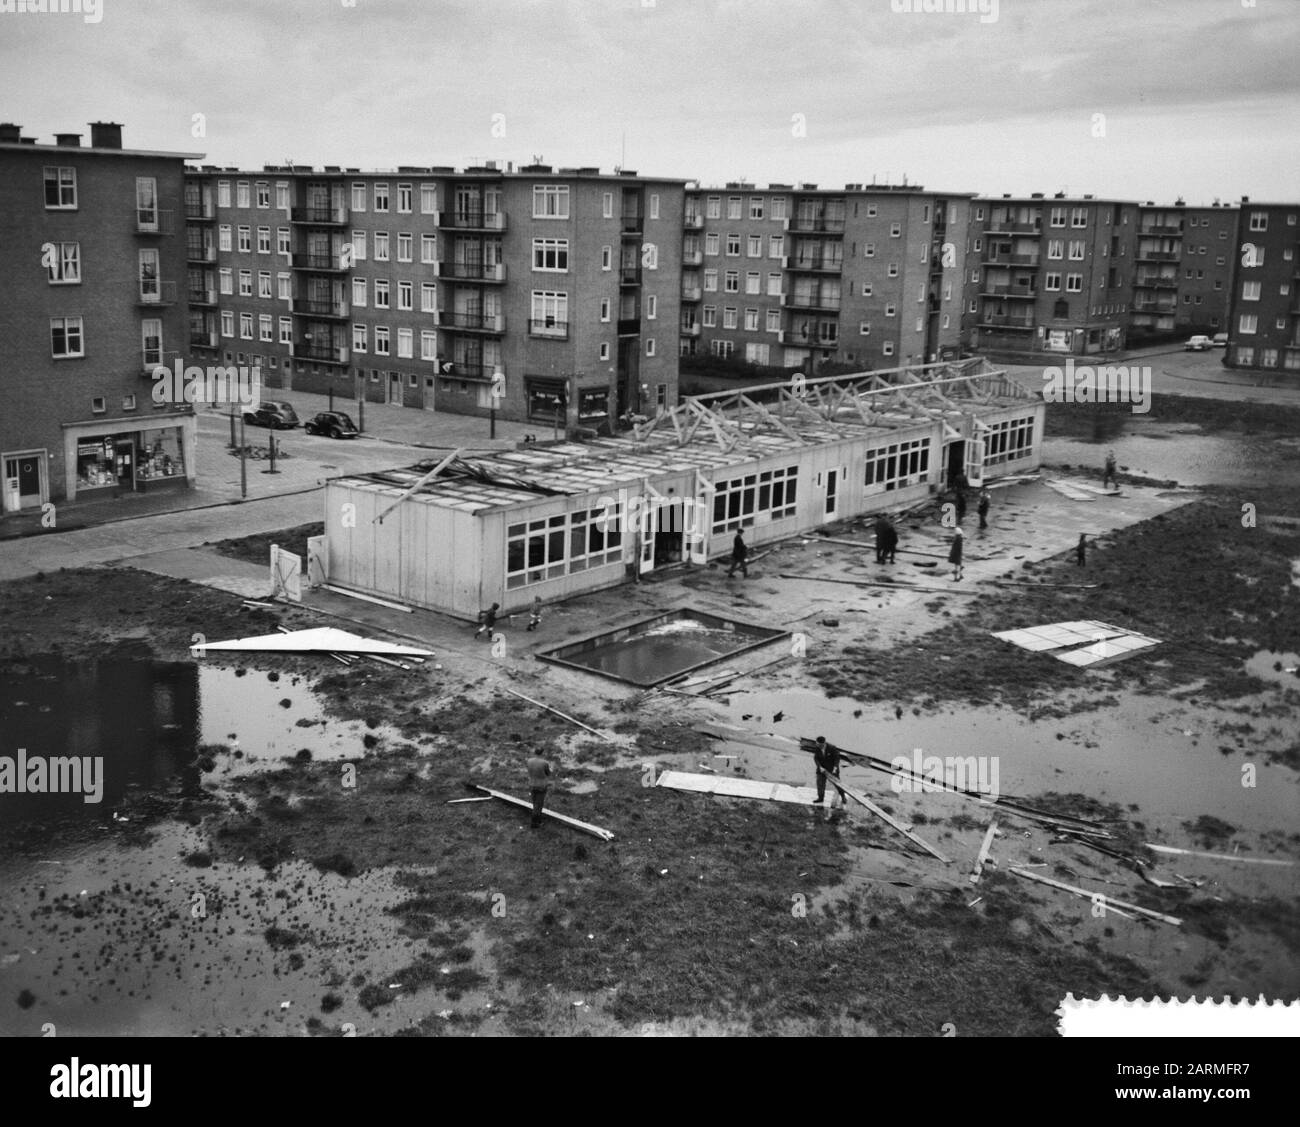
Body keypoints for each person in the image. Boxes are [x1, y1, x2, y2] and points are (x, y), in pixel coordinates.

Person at [812, 736, 842, 806]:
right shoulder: (817, 748)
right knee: (820, 784)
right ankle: (820, 798)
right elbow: (816, 758)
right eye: (817, 744)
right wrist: (819, 767)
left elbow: (837, 758)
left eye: (820, 745)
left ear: (824, 743)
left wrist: (835, 767)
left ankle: (843, 796)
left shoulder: (832, 748)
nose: (818, 746)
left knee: (837, 784)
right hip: (822, 769)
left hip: (832, 769)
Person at [526, 752, 552, 828]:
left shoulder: (529, 761)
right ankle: (535, 823)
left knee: (534, 803)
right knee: (539, 805)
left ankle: (537, 819)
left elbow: (529, 770)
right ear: (542, 753)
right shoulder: (544, 763)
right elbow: (548, 773)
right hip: (541, 786)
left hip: (532, 784)